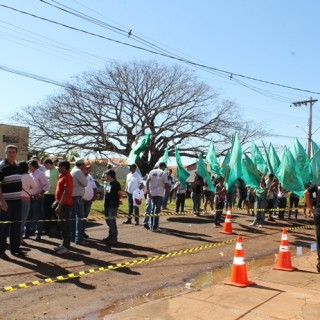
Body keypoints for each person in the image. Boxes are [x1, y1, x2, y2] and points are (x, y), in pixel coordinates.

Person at [0, 145, 23, 259]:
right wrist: (2, 201)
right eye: (9, 152)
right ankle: (1, 251)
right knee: (3, 227)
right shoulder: (2, 166)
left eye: (13, 152)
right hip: (6, 202)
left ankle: (15, 249)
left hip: (18, 201)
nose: (11, 154)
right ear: (6, 152)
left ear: (16, 153)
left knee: (16, 226)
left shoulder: (18, 166)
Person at [26, 159, 50, 241]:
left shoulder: (40, 174)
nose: (28, 167)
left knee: (37, 216)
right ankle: (26, 233)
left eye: (29, 166)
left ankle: (38, 234)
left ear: (32, 166)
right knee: (28, 216)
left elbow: (47, 185)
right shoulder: (30, 174)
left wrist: (40, 194)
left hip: (37, 198)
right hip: (30, 197)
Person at [53, 160, 73, 255]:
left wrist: (59, 206)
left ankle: (66, 247)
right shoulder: (62, 176)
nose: (58, 168)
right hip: (61, 204)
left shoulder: (68, 177)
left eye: (59, 167)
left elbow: (66, 192)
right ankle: (64, 244)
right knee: (61, 225)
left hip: (65, 205)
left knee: (65, 226)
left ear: (64, 167)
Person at [146, 162, 169, 232]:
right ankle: (155, 227)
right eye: (165, 166)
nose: (165, 168)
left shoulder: (151, 172)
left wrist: (148, 192)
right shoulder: (163, 173)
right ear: (163, 166)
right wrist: (168, 193)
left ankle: (152, 225)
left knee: (153, 209)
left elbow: (147, 182)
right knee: (157, 210)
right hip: (159, 193)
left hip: (152, 193)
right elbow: (166, 185)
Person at [19, 161, 37, 246]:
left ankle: (14, 238)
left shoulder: (16, 176)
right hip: (25, 199)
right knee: (22, 220)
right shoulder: (28, 176)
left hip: (15, 199)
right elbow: (35, 186)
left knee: (15, 221)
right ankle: (19, 239)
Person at [71, 159, 88, 245]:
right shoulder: (78, 171)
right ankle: (79, 239)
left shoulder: (73, 170)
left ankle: (73, 237)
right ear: (81, 165)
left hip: (73, 197)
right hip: (77, 197)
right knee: (80, 218)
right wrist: (84, 176)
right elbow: (85, 183)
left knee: (74, 218)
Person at [103, 169, 122, 245]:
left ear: (110, 175)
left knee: (112, 222)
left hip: (112, 206)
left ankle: (114, 238)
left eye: (106, 175)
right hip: (107, 206)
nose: (105, 176)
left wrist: (116, 200)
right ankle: (110, 236)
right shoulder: (108, 183)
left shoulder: (116, 184)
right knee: (108, 222)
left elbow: (120, 194)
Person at [304, 183, 320, 272]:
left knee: (319, 239)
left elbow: (306, 192)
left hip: (318, 213)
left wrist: (310, 208)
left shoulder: (317, 184)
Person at [43, 158, 60, 237]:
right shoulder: (46, 172)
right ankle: (46, 229)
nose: (44, 166)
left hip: (54, 195)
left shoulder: (57, 170)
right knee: (47, 212)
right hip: (47, 194)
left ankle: (57, 229)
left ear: (49, 163)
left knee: (55, 212)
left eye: (45, 165)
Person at [82, 165, 97, 238]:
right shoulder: (80, 176)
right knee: (80, 217)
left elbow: (94, 187)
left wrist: (94, 196)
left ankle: (83, 231)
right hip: (81, 200)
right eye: (87, 169)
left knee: (85, 217)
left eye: (89, 169)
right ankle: (79, 233)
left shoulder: (90, 177)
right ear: (83, 169)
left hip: (89, 200)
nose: (88, 170)